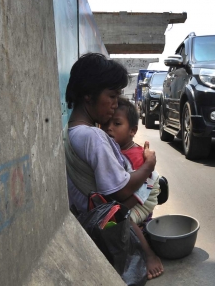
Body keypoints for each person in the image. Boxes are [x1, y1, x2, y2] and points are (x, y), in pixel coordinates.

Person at [64, 53, 163, 279]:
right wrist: (149, 165)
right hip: (104, 227)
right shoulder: (93, 137)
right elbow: (120, 192)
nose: (116, 104)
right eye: (112, 95)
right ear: (88, 95)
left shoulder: (70, 131)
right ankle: (147, 253)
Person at [101, 97, 161, 226]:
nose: (109, 128)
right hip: (125, 201)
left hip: (138, 205)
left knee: (124, 221)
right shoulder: (111, 151)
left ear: (132, 131)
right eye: (106, 123)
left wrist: (118, 210)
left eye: (117, 124)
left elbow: (141, 189)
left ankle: (145, 247)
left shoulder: (136, 156)